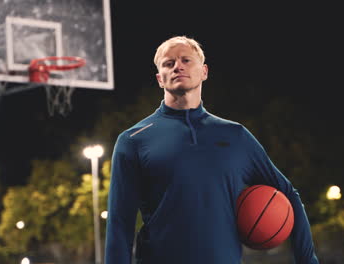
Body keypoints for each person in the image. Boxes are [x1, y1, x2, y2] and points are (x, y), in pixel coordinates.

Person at [104, 35, 319, 264]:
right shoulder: (133, 140)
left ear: (204, 71)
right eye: (169, 63)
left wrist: (308, 260)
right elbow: (119, 223)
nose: (178, 66)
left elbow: (288, 194)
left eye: (186, 60)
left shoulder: (235, 136)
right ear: (160, 78)